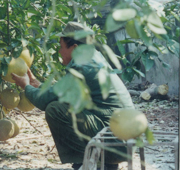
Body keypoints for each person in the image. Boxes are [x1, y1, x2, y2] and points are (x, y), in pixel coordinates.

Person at [12, 21, 134, 170]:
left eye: (61, 47)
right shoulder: (93, 59)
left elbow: (45, 101)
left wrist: (26, 86)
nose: (59, 51)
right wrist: (38, 86)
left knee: (55, 110)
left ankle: (84, 164)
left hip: (115, 142)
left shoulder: (83, 66)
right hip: (123, 140)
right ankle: (104, 165)